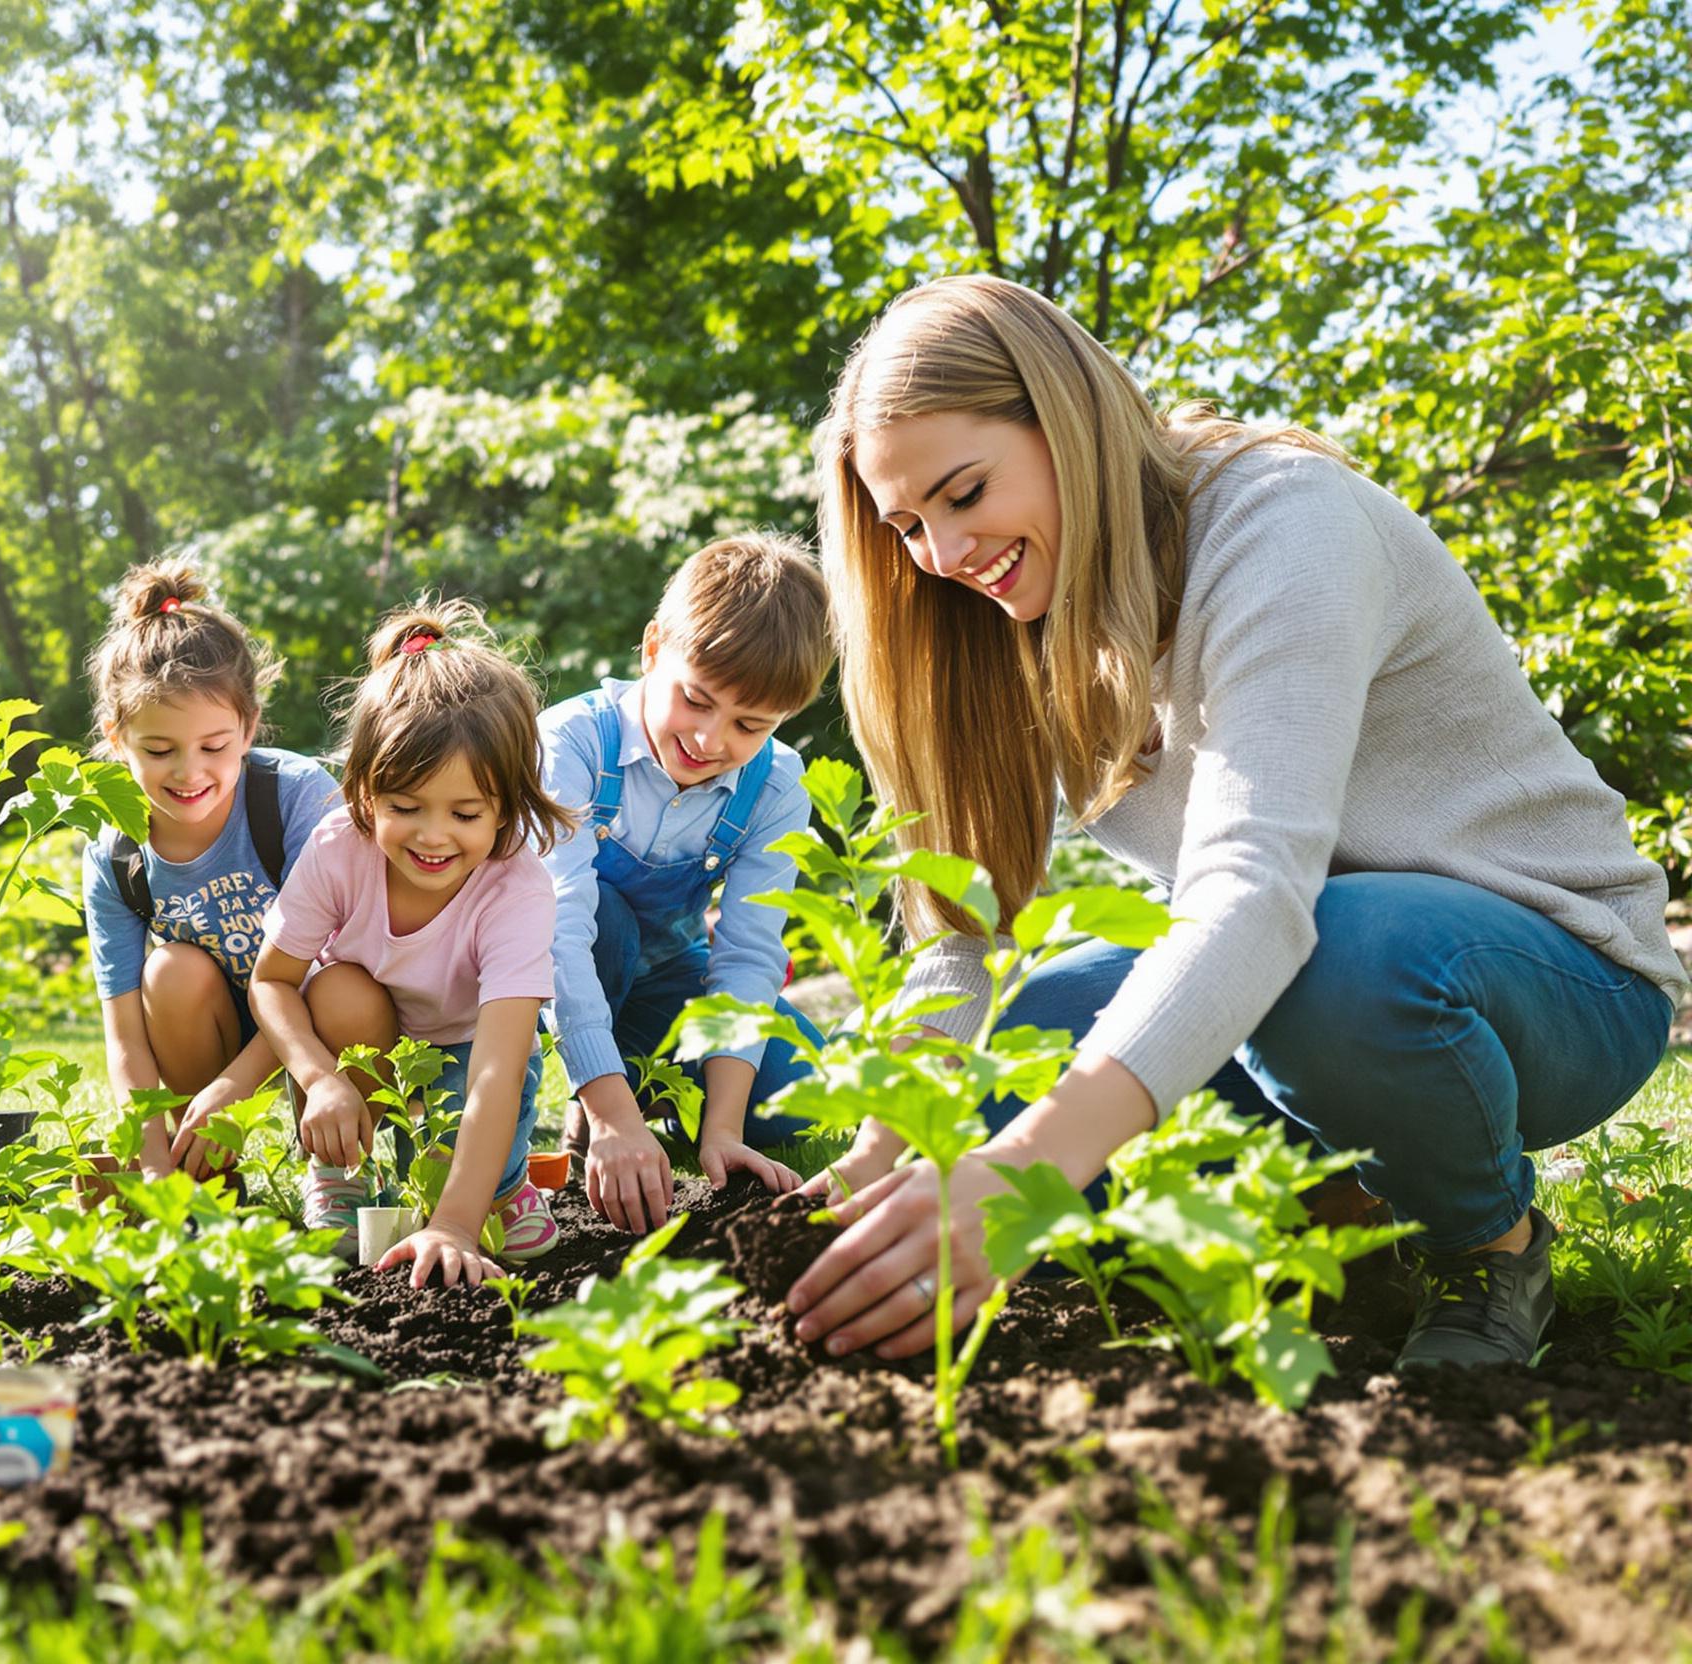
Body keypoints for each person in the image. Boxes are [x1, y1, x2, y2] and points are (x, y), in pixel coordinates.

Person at [790, 274, 1684, 1372]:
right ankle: (1350, 1214)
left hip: (1549, 974)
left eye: (966, 491)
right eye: (910, 525)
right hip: (1305, 980)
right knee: (1010, 1064)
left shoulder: (1280, 522)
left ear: (1065, 418)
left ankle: (1485, 1243)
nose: (946, 552)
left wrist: (1023, 1175)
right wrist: (898, 1143)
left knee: (1318, 966)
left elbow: (1256, 889)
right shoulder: (1013, 615)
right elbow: (963, 923)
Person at [252, 600, 578, 1282]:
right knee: (336, 987)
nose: (433, 836)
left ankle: (501, 1181)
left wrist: (455, 1225)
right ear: (365, 791)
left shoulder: (516, 889)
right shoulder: (341, 846)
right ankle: (346, 1174)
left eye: (465, 814)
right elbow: (273, 980)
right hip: (370, 1038)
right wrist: (319, 1079)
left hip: (473, 1052)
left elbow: (497, 1066)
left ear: (507, 807)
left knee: (480, 1195)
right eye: (405, 808)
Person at [538, 534, 840, 1235]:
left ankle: (668, 1101)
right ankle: (600, 1108)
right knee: (601, 918)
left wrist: (725, 1129)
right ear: (651, 651)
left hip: (671, 982)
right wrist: (612, 1117)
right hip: (556, 978)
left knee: (800, 1097)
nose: (709, 739)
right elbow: (556, 931)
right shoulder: (573, 744)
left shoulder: (777, 785)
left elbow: (749, 952)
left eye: (750, 724)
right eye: (697, 700)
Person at [80, 562, 341, 1180]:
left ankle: (334, 1177)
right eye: (159, 750)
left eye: (214, 747)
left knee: (346, 988)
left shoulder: (296, 797)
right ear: (118, 739)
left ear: (249, 726)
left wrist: (237, 1087)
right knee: (169, 971)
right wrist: (151, 1169)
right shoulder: (116, 852)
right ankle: (206, 1180)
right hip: (216, 1023)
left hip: (316, 1008)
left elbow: (335, 960)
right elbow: (126, 1041)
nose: (190, 772)